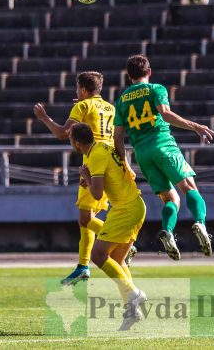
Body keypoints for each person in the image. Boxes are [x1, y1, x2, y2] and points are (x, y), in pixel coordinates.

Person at [34, 71, 136, 285]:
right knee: (86, 219)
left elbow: (63, 133)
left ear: (82, 89)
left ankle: (114, 247)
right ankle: (83, 266)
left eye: (77, 88)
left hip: (94, 163)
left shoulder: (82, 106)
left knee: (85, 219)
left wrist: (44, 118)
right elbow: (119, 136)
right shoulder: (110, 107)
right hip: (112, 162)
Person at [113, 54, 214, 261]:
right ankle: (200, 223)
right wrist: (196, 126)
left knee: (171, 199)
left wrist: (126, 164)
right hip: (162, 145)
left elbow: (117, 137)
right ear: (149, 71)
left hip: (142, 155)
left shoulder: (122, 99)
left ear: (128, 75)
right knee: (189, 187)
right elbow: (166, 114)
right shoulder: (156, 89)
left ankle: (168, 231)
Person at [70, 123, 147, 331]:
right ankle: (132, 311)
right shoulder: (103, 146)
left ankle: (133, 294)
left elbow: (96, 194)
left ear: (76, 143)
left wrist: (85, 176)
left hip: (125, 209)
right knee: (117, 260)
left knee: (98, 255)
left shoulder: (94, 156)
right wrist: (89, 178)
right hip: (136, 205)